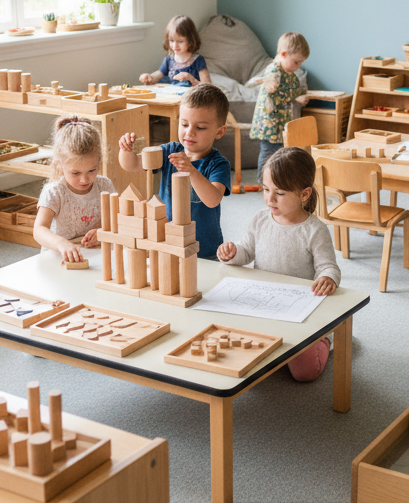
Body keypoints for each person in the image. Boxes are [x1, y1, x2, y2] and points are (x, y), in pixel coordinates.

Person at [217, 147, 340, 381]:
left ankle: (325, 338)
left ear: (304, 194)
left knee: (303, 372)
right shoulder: (260, 218)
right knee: (238, 349)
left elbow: (328, 266)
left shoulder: (315, 230)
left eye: (280, 193)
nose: (269, 199)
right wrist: (232, 253)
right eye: (265, 190)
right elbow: (247, 251)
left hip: (299, 311)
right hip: (263, 304)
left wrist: (327, 278)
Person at [119, 82, 231, 260]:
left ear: (219, 132)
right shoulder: (169, 151)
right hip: (167, 243)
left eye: (200, 127)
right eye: (184, 124)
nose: (189, 133)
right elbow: (132, 165)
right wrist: (126, 150)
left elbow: (212, 200)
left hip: (204, 250)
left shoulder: (218, 164)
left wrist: (191, 171)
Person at [33, 116, 117, 263]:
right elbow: (39, 230)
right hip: (60, 257)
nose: (84, 180)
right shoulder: (54, 192)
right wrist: (61, 243)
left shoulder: (104, 185)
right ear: (59, 166)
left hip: (94, 255)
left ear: (99, 162)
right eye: (76, 173)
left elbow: (119, 219)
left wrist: (104, 233)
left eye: (92, 170)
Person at [249, 32, 310, 169]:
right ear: (284, 54)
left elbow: (294, 90)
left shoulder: (290, 75)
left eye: (301, 62)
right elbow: (270, 85)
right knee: (268, 151)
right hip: (269, 123)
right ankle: (263, 181)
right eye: (296, 61)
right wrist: (269, 84)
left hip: (281, 122)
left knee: (280, 152)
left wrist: (299, 97)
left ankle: (276, 178)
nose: (298, 66)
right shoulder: (273, 70)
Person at [140, 15, 210, 86]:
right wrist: (149, 77)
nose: (175, 45)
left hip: (191, 96)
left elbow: (208, 85)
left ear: (191, 40)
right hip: (173, 95)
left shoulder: (198, 60)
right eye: (171, 40)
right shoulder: (168, 59)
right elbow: (159, 74)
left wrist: (190, 79)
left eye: (180, 41)